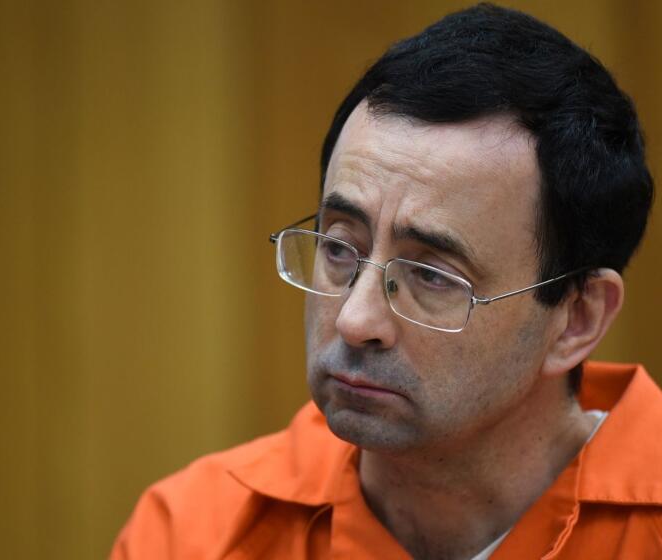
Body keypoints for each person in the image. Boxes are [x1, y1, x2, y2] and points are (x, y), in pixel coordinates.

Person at [111, 4, 662, 558]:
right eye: (339, 248)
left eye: (430, 275)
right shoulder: (193, 533)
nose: (354, 320)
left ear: (577, 318)